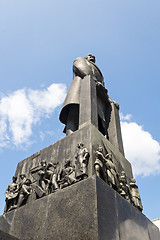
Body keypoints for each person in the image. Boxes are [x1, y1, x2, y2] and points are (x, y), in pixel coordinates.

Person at [59, 54, 104, 136]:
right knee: (74, 112)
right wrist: (94, 80)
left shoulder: (100, 73)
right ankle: (70, 136)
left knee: (97, 119)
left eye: (93, 57)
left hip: (95, 96)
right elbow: (81, 68)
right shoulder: (80, 59)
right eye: (89, 55)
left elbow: (103, 86)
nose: (92, 57)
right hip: (79, 88)